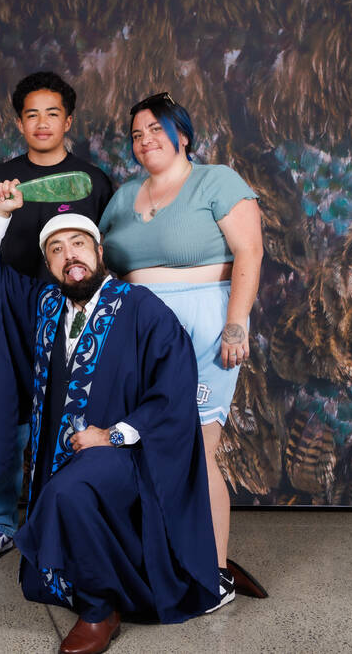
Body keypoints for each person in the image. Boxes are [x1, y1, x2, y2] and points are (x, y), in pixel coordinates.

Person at [0, 190, 220, 654]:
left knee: (69, 491)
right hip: (58, 454)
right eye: (56, 249)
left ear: (98, 251)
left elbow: (173, 385)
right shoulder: (45, 304)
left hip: (130, 456)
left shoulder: (139, 307)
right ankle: (101, 583)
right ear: (48, 264)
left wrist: (113, 436)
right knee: (64, 489)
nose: (69, 256)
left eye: (78, 244)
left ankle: (99, 608)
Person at [98, 92, 266, 609]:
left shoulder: (216, 181)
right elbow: (100, 258)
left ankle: (213, 571)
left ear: (183, 135)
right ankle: (161, 560)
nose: (145, 139)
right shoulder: (124, 197)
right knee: (142, 442)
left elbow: (250, 251)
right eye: (136, 134)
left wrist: (235, 325)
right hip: (138, 329)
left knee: (195, 446)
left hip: (203, 324)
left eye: (156, 129)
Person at [0, 71, 114, 565]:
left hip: (74, 306)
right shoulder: (0, 178)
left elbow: (105, 255)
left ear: (68, 120)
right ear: (19, 123)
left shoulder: (93, 181)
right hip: (11, 304)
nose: (43, 122)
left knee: (68, 410)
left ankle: (62, 517)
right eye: (32, 114)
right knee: (8, 413)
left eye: (53, 113)